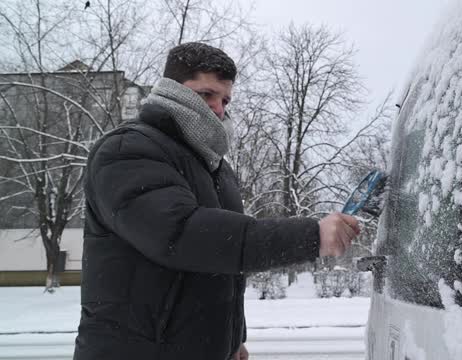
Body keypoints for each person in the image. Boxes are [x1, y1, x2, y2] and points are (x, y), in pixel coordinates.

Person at [73, 42, 360, 360]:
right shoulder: (126, 150)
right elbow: (185, 236)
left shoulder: (216, 169)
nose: (219, 109)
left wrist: (232, 338)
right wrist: (312, 236)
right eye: (206, 94)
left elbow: (222, 267)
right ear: (172, 90)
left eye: (225, 100)